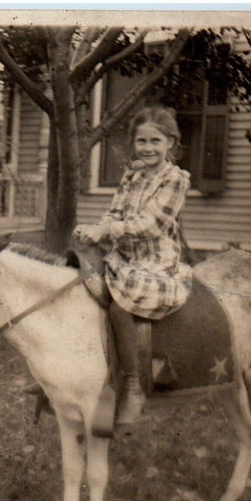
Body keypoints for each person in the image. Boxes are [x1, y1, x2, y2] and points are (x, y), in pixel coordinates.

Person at [74, 106, 193, 425]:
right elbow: (116, 212)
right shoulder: (133, 175)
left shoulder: (176, 180)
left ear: (171, 142)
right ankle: (80, 370)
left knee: (119, 306)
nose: (148, 148)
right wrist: (95, 227)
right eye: (141, 141)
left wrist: (108, 230)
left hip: (155, 262)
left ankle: (132, 386)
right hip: (123, 255)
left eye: (155, 141)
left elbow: (152, 224)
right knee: (80, 285)